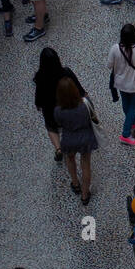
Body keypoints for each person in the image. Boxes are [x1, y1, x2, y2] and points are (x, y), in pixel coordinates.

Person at [34, 48, 85, 160]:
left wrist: (38, 104)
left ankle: (58, 149)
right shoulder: (65, 73)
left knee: (51, 128)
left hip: (49, 110)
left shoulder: (40, 77)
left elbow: (38, 94)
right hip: (67, 107)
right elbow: (80, 90)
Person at [54, 76, 97, 204]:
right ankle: (85, 195)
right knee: (85, 165)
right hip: (85, 138)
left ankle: (75, 183)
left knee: (70, 159)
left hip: (69, 140)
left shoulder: (58, 110)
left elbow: (58, 124)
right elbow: (93, 115)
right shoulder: (85, 103)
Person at [107, 23, 135, 145]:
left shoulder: (115, 48)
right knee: (134, 108)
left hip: (121, 83)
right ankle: (125, 134)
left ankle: (132, 123)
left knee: (126, 105)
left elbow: (109, 65)